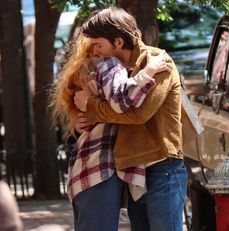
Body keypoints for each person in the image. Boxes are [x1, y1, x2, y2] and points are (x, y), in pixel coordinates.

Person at [74, 7, 188, 231]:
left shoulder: (156, 61)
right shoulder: (116, 71)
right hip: (133, 171)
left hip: (162, 167)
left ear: (117, 42)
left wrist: (91, 106)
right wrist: (87, 119)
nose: (96, 52)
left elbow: (137, 114)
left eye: (98, 45)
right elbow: (113, 114)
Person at [50, 32, 173, 231]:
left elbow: (88, 110)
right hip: (100, 164)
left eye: (99, 44)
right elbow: (122, 101)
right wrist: (149, 70)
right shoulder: (108, 63)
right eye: (95, 45)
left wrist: (89, 110)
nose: (98, 50)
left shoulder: (88, 67)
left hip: (89, 165)